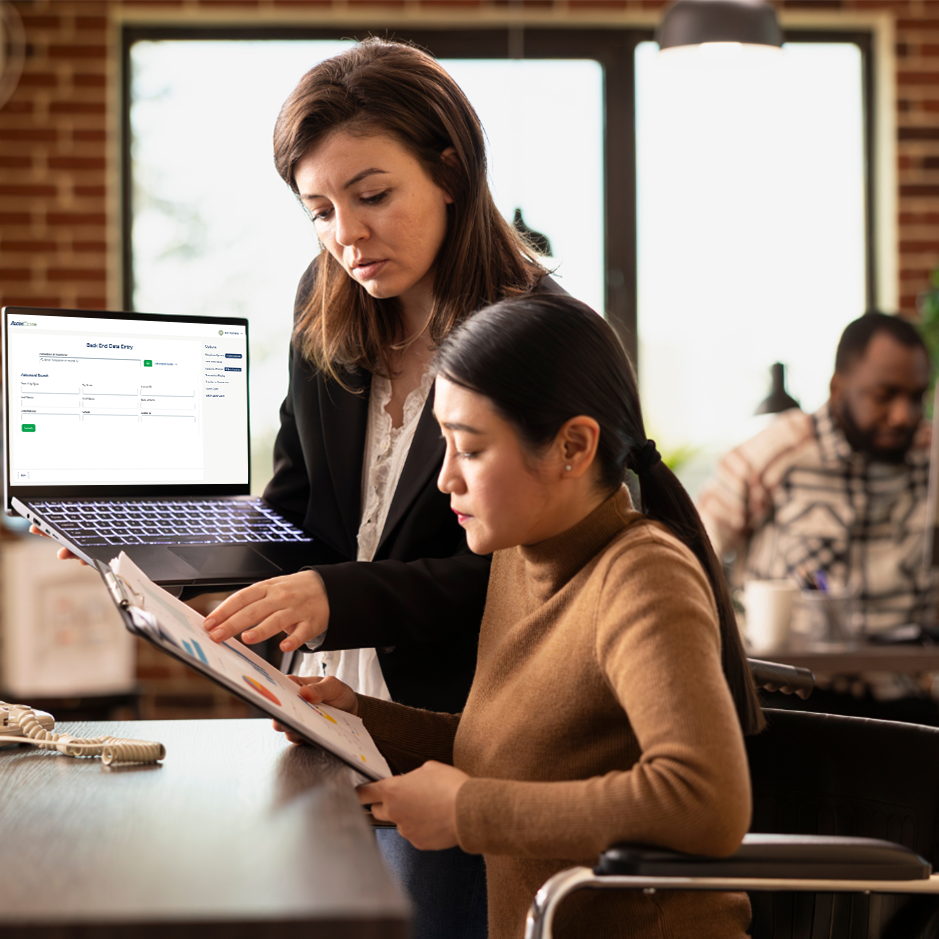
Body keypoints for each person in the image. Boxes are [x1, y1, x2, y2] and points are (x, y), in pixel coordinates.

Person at [41, 38, 554, 939]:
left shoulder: (539, 340)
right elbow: (297, 515)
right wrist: (151, 546)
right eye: (316, 208)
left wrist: (334, 593)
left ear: (449, 167)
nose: (344, 234)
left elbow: (533, 577)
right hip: (319, 720)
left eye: (371, 195)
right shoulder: (327, 307)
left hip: (455, 731)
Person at [272, 294, 765, 939]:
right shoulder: (517, 557)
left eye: (470, 450)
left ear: (573, 446)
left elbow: (704, 805)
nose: (447, 477)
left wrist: (469, 810)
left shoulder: (643, 577)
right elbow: (505, 750)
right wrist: (357, 718)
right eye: (443, 444)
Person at [698, 312, 937, 723]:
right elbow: (691, 551)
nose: (903, 415)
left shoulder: (930, 459)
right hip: (798, 698)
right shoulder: (776, 454)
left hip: (908, 701)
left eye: (916, 397)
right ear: (837, 386)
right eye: (886, 395)